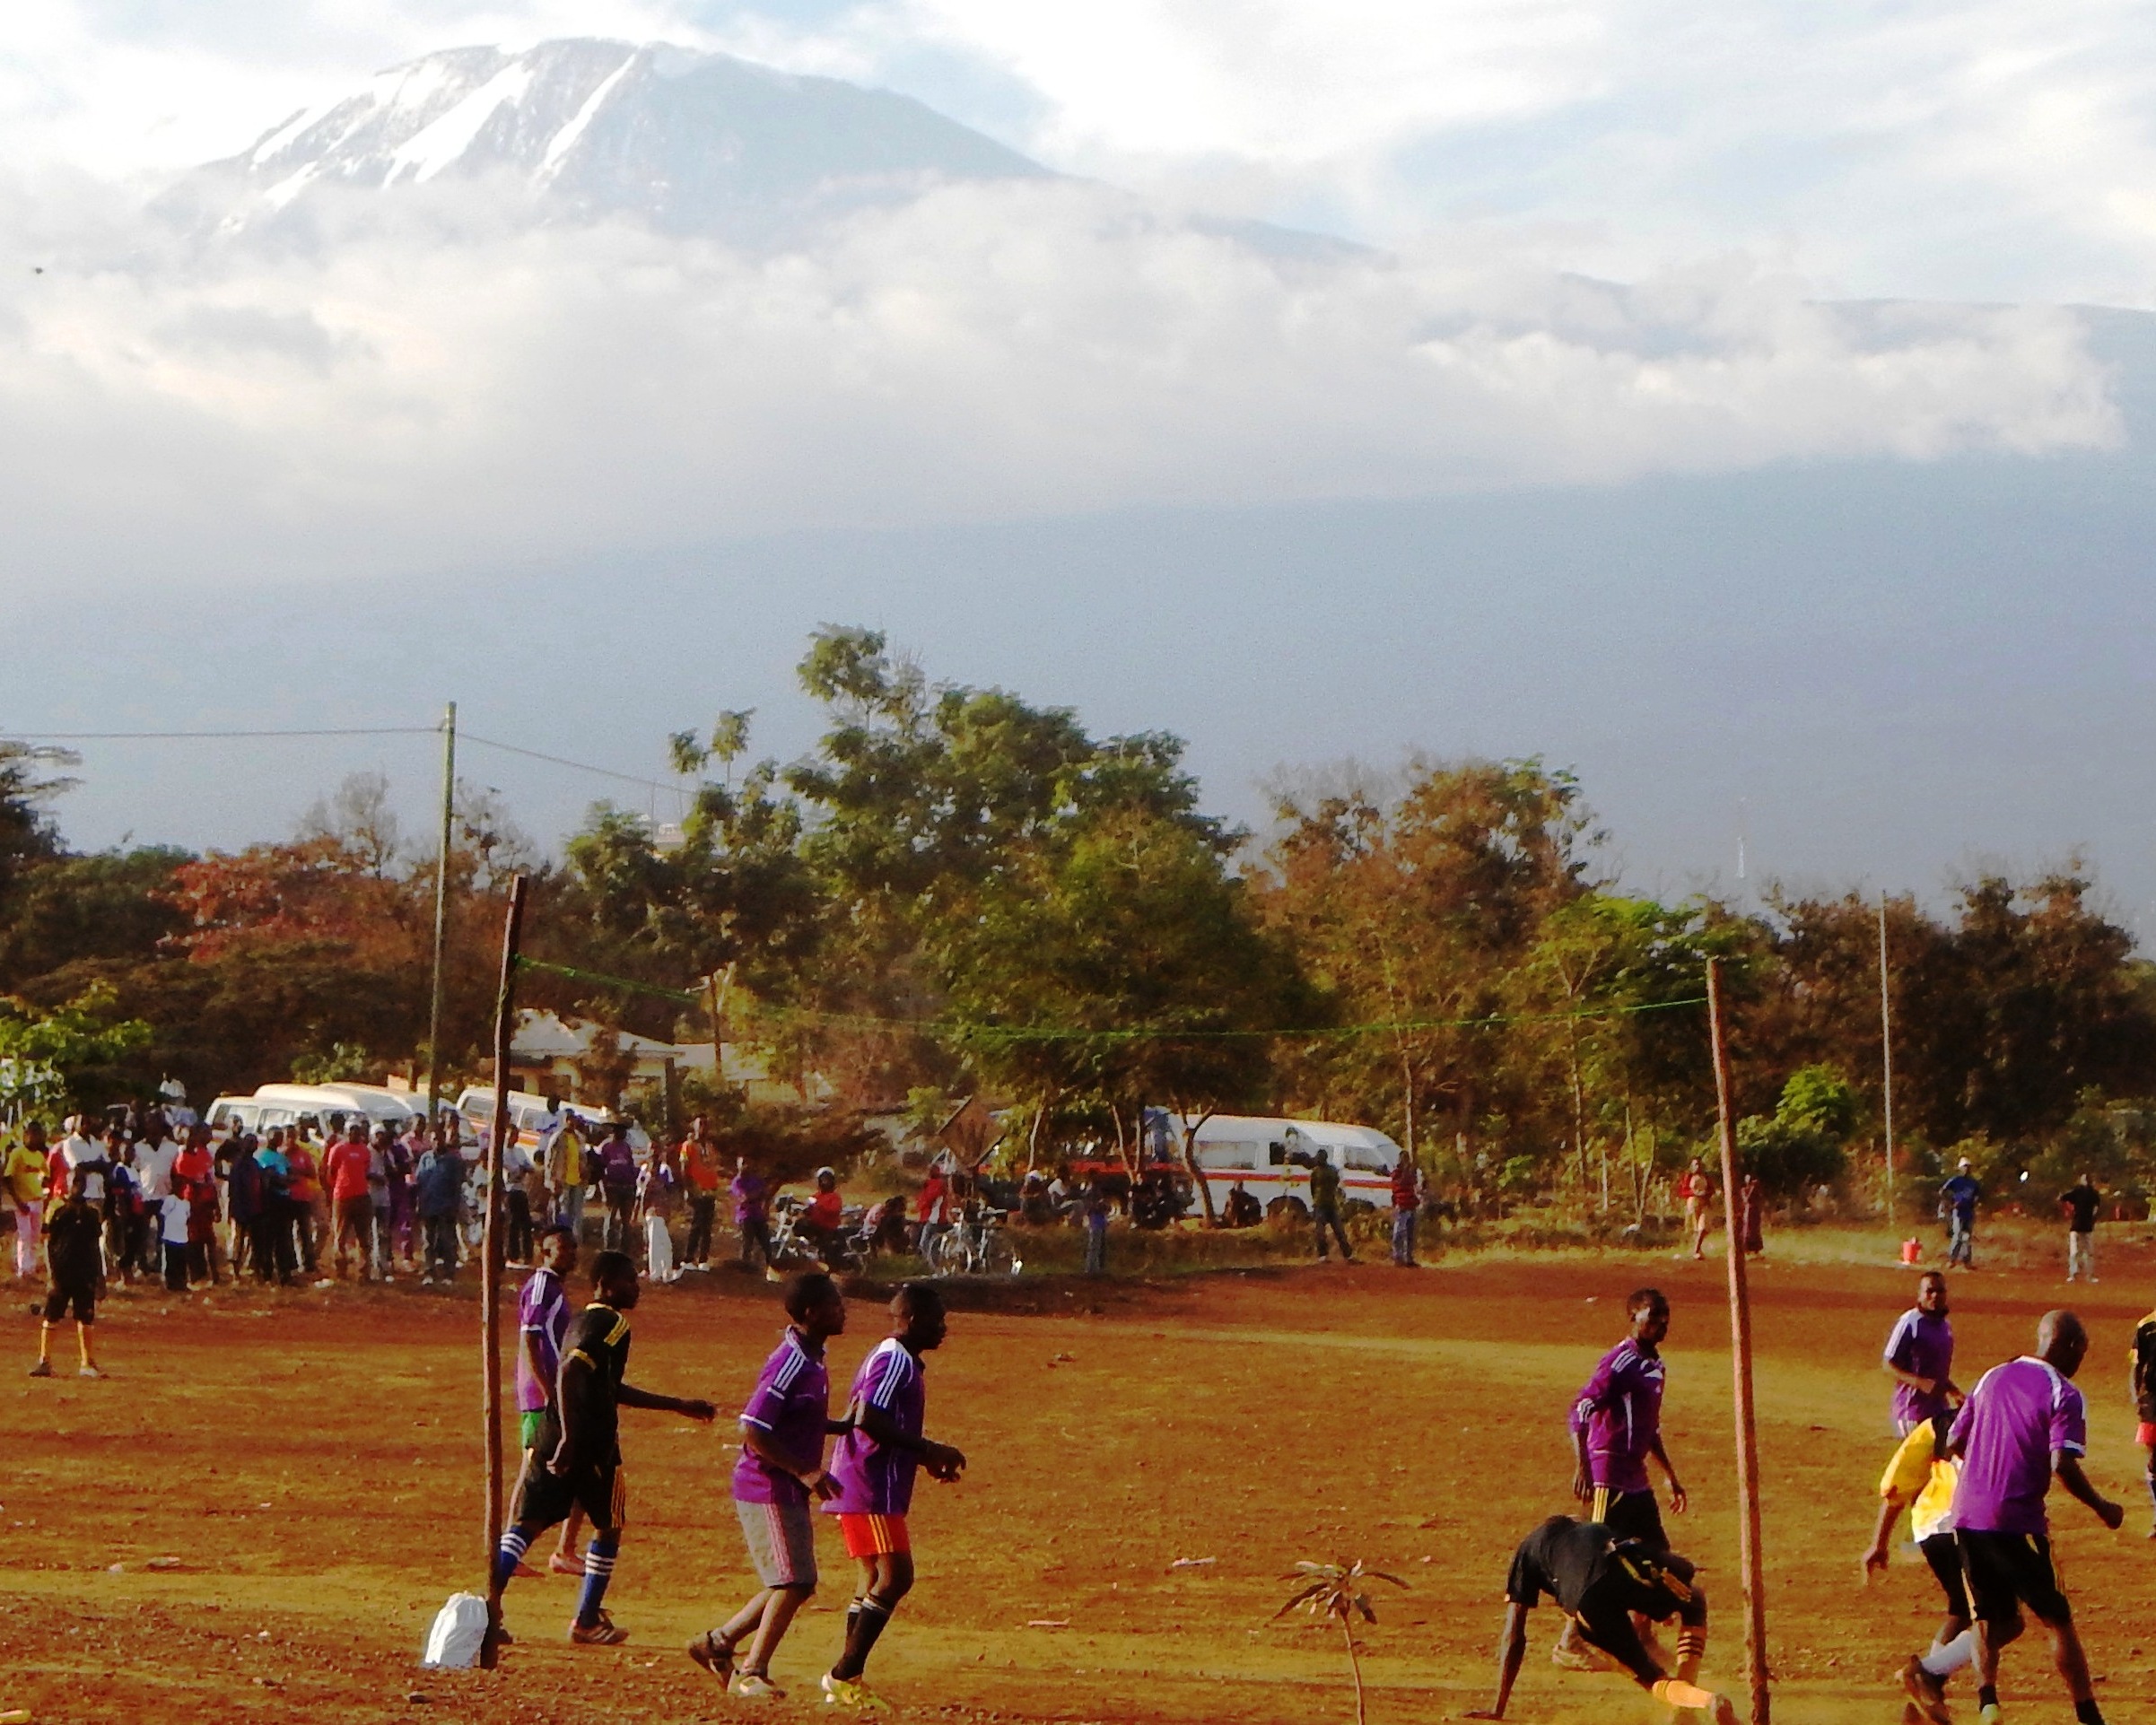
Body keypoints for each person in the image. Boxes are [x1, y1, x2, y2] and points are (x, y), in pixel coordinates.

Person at [490, 1250, 716, 1645]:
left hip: (552, 1434)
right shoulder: (613, 1323)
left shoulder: (580, 1318)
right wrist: (573, 1439)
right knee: (609, 1526)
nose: (637, 1288)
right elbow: (571, 1369)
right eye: (630, 1281)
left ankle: (486, 1609)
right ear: (608, 1285)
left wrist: (678, 1405)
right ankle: (586, 1619)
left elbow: (604, 1386)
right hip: (591, 1446)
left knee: (525, 1526)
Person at [1946, 1310, 2123, 1725]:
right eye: (2082, 1351)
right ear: (2071, 1347)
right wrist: (2103, 1508)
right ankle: (2087, 1713)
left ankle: (1987, 1703)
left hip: (1967, 1514)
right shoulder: (2064, 1392)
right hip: (2017, 1520)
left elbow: (1955, 1440)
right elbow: (2062, 1463)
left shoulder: (1993, 1375)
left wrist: (1986, 1471)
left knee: (1987, 1615)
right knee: (2057, 1619)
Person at [691, 1271, 850, 1697]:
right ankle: (751, 1671)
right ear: (811, 1313)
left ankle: (718, 1644)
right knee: (793, 1581)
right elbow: (754, 1429)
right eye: (835, 1304)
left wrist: (840, 1426)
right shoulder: (793, 1361)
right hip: (767, 1485)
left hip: (784, 1484)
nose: (843, 1310)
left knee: (795, 1581)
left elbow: (793, 1420)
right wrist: (806, 1472)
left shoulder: (812, 1357)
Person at [817, 1282, 967, 1710]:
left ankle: (849, 1678)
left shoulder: (896, 1358)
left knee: (871, 1578)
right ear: (915, 1321)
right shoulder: (896, 1361)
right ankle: (843, 1672)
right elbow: (868, 1418)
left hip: (868, 1480)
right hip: (870, 1484)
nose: (944, 1329)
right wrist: (929, 1449)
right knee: (896, 1576)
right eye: (938, 1321)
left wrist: (923, 1458)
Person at [1462, 1515, 1735, 1724]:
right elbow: (1679, 1567)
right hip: (1622, 1565)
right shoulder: (1595, 1530)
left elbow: (1514, 1633)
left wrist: (1499, 1706)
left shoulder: (1528, 1550)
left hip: (1586, 1603)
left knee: (1652, 1679)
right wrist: (1659, 1601)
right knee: (1694, 1602)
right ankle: (1686, 1708)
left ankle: (1702, 1702)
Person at [1863, 1409, 1972, 1724]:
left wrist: (1879, 1542)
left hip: (1929, 1531)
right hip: (1970, 1527)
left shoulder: (1935, 1425)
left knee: (1962, 1608)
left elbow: (1897, 1485)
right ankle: (1927, 1674)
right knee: (2003, 1617)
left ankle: (1929, 1691)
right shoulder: (2003, 1424)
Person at [516, 1226, 589, 1578]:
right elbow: (531, 1340)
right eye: (562, 1247)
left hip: (550, 1393)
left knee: (574, 1467)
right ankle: (514, 1547)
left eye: (573, 1247)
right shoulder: (543, 1285)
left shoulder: (553, 1287)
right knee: (533, 1470)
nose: (571, 1253)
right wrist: (549, 1394)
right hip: (541, 1395)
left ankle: (562, 1547)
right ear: (544, 1252)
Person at [32, 1169, 105, 1380]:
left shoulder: (92, 1213)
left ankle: (87, 1362)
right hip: (62, 1272)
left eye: (81, 1182)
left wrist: (99, 1277)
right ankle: (44, 1361)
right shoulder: (57, 1208)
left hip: (85, 1274)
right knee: (52, 1316)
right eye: (75, 1181)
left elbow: (95, 1246)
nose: (78, 1185)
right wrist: (51, 1274)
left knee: (86, 1318)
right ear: (67, 1182)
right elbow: (48, 1242)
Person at [1884, 1270, 1960, 1436]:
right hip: (1912, 1412)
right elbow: (1888, 1364)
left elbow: (1937, 1372)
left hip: (1938, 1410)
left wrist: (1953, 1391)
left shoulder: (1945, 1326)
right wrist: (1920, 1383)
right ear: (1919, 1295)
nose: (1935, 1296)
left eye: (1940, 1291)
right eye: (1929, 1291)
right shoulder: (1909, 1323)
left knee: (1941, 1459)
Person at [324, 1120, 375, 1282]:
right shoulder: (337, 1149)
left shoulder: (365, 1151)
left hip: (362, 1197)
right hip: (343, 1198)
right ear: (346, 1132)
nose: (354, 1133)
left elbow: (366, 1170)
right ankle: (341, 1272)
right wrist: (339, 1188)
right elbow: (331, 1173)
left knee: (364, 1237)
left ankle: (364, 1273)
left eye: (357, 1131)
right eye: (351, 1130)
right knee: (340, 1237)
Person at [250, 1128, 299, 1285]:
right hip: (269, 1200)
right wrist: (280, 1179)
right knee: (267, 1238)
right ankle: (266, 1272)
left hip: (284, 1200)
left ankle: (284, 1272)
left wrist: (283, 1179)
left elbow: (292, 1176)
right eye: (275, 1137)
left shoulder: (282, 1158)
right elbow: (268, 1179)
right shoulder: (260, 1156)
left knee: (283, 1238)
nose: (278, 1140)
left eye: (280, 1137)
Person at [415, 1135, 466, 1285]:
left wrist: (454, 1206)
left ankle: (448, 1274)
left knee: (447, 1241)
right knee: (428, 1241)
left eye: (440, 1139)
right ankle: (429, 1272)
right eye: (434, 1139)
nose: (437, 1142)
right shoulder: (425, 1158)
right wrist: (419, 1203)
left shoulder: (453, 1161)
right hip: (428, 1206)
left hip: (446, 1207)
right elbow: (419, 1181)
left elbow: (457, 1185)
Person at [4, 1121, 47, 1280]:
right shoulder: (18, 1154)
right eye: (33, 1134)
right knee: (25, 1235)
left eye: (39, 1134)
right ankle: (24, 1270)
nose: (36, 1138)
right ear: (26, 1135)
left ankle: (32, 1267)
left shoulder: (39, 1156)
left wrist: (44, 1187)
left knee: (35, 1236)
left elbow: (45, 1175)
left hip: (37, 1199)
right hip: (23, 1201)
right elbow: (8, 1178)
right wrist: (18, 1201)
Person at [680, 1117, 722, 1270]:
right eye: (701, 1124)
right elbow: (684, 1167)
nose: (704, 1128)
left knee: (707, 1227)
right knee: (696, 1224)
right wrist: (688, 1189)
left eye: (706, 1125)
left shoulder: (710, 1147)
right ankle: (689, 1258)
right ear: (695, 1127)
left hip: (710, 1191)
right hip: (696, 1191)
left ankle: (704, 1258)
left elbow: (712, 1166)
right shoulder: (688, 1146)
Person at [2131, 1302, 2156, 1537]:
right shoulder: (2146, 1326)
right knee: (2154, 1460)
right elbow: (2137, 1366)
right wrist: (2136, 1396)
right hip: (2153, 1402)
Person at [594, 1122, 638, 1253]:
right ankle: (609, 1247)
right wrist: (604, 1187)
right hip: (612, 1187)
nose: (624, 1134)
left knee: (626, 1221)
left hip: (626, 1187)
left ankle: (625, 1249)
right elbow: (600, 1168)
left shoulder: (626, 1147)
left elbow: (630, 1165)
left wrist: (632, 1184)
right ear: (614, 1131)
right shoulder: (606, 1146)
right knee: (611, 1218)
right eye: (621, 1131)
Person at [636, 1147, 677, 1284]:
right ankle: (656, 1273)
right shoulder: (648, 1174)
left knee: (662, 1244)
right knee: (655, 1244)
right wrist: (640, 1212)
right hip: (652, 1213)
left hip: (657, 1213)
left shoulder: (663, 1171)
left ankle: (663, 1273)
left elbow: (668, 1192)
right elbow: (642, 1195)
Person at [284, 1128, 323, 1276]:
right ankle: (290, 1263)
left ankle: (308, 1263)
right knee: (287, 1232)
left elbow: (312, 1173)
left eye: (293, 1137)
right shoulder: (281, 1155)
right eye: (288, 1137)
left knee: (305, 1232)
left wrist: (297, 1171)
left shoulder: (303, 1155)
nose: (291, 1140)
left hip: (302, 1197)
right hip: (286, 1198)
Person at [1308, 1147, 1352, 1262]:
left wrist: (1315, 1199)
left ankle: (1323, 1255)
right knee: (1338, 1231)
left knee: (1322, 1232)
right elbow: (1336, 1183)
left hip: (1321, 1204)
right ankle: (1347, 1254)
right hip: (1330, 1204)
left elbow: (1312, 1188)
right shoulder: (1331, 1171)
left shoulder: (1316, 1172)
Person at [502, 1124, 537, 1267]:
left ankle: (528, 1255)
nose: (513, 1138)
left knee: (526, 1223)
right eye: (511, 1135)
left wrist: (523, 1171)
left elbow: (530, 1168)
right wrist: (517, 1172)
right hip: (509, 1191)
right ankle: (512, 1256)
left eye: (516, 1135)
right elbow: (508, 1173)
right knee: (513, 1224)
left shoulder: (520, 1151)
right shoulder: (501, 1153)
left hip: (521, 1190)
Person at [733, 1155, 773, 1272]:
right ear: (738, 1165)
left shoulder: (756, 1179)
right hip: (745, 1215)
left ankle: (770, 1270)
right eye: (743, 1163)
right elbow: (745, 1198)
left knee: (766, 1244)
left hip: (757, 1214)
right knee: (747, 1243)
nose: (746, 1165)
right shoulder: (737, 1182)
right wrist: (757, 1195)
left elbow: (764, 1194)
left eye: (747, 1162)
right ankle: (744, 1269)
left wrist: (756, 1197)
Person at [2060, 1172, 2099, 1284]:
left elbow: (2063, 1198)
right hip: (2083, 1226)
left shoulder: (2083, 1192)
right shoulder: (2090, 1193)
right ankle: (2082, 1275)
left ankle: (2077, 1275)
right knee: (2083, 1253)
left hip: (2080, 1226)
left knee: (2078, 1252)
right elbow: (2095, 1210)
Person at [800, 1167, 845, 1264]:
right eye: (823, 1180)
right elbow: (808, 1209)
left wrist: (819, 1206)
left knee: (827, 1246)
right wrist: (805, 1209)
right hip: (815, 1226)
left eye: (827, 1180)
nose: (825, 1182)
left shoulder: (835, 1197)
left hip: (828, 1228)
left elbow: (834, 1210)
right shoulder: (816, 1195)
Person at [1942, 1158, 1980, 1269]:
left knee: (1967, 1238)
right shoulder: (1955, 1180)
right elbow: (1943, 1191)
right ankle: (1952, 1260)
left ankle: (1967, 1262)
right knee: (1958, 1236)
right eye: (1965, 1166)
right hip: (1958, 1212)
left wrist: (1975, 1202)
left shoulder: (1973, 1182)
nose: (1967, 1169)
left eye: (1968, 1166)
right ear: (1960, 1168)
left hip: (1969, 1212)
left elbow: (1977, 1195)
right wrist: (1950, 1203)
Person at [1675, 1158, 1715, 1259]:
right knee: (1696, 1228)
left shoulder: (1705, 1176)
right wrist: (1694, 1193)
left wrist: (1706, 1194)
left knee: (1704, 1226)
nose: (1698, 1166)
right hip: (1693, 1203)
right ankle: (1698, 1250)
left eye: (1699, 1164)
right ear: (1692, 1166)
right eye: (1695, 1165)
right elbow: (1683, 1191)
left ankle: (1696, 1250)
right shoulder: (1688, 1177)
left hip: (1704, 1203)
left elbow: (1711, 1189)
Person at [1389, 1150, 1418, 1267]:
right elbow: (1398, 1186)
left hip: (1410, 1205)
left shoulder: (1411, 1173)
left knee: (1410, 1234)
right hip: (1401, 1206)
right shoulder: (1397, 1173)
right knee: (1399, 1232)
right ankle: (1398, 1257)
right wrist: (1406, 1172)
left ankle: (1409, 1257)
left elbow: (1415, 1184)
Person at [1082, 1178, 1110, 1276]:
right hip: (1095, 1222)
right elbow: (1090, 1208)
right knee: (1094, 1246)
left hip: (1099, 1221)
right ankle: (1090, 1269)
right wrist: (1100, 1205)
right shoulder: (1090, 1194)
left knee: (1099, 1247)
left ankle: (1096, 1268)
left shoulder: (1095, 1194)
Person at [1739, 1173, 1765, 1256]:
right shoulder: (1744, 1190)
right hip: (1748, 1212)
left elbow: (1760, 1198)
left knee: (1756, 1230)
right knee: (1747, 1230)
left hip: (1755, 1211)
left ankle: (1756, 1250)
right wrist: (1752, 1189)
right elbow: (1747, 1200)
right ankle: (1747, 1250)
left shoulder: (1756, 1190)